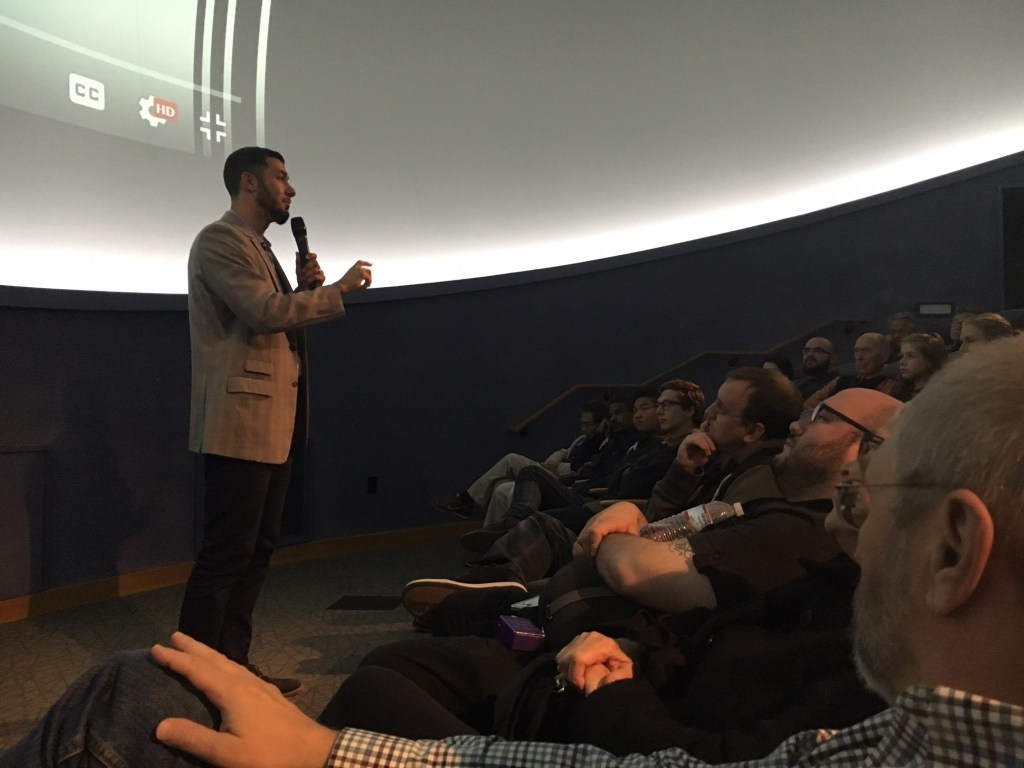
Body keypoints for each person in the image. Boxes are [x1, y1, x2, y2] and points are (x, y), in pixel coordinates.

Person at [7, 338, 1024, 766]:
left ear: (950, 549)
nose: (852, 509)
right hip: (612, 643)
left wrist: (607, 674)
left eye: (874, 488)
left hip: (611, 672)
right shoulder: (908, 733)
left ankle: (509, 592)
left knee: (135, 696)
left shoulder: (872, 680)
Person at [178, 146, 372, 696]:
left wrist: (306, 290)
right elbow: (263, 314)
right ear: (248, 182)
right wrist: (336, 292)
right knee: (226, 555)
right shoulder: (220, 240)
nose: (291, 189)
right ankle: (190, 679)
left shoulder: (260, 248)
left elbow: (279, 322)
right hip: (241, 421)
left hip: (274, 425)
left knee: (257, 551)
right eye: (281, 177)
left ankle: (232, 666)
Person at [459, 381, 701, 552]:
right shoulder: (654, 445)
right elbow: (617, 475)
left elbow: (631, 483)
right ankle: (509, 529)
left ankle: (504, 540)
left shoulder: (680, 449)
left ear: (689, 410)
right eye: (656, 406)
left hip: (609, 507)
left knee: (536, 517)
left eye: (665, 406)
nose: (658, 412)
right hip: (593, 496)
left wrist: (620, 475)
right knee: (529, 473)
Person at [436, 401, 608, 521]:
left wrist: (560, 467)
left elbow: (583, 468)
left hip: (560, 482)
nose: (584, 429)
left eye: (588, 424)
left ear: (602, 423)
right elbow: (563, 451)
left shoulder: (601, 443)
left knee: (511, 459)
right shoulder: (581, 439)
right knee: (501, 484)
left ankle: (465, 500)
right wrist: (553, 461)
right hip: (549, 471)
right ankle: (493, 540)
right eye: (582, 424)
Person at [804, 332, 896, 407]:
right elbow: (808, 405)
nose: (859, 357)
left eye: (866, 351)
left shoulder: (890, 386)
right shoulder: (841, 381)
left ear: (885, 355)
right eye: (856, 351)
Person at [891, 332, 947, 401]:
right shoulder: (898, 390)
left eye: (911, 356)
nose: (902, 362)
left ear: (930, 361)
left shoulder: (940, 395)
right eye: (901, 356)